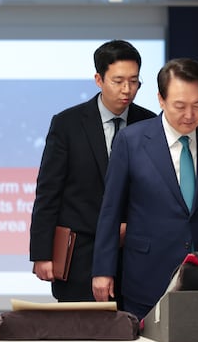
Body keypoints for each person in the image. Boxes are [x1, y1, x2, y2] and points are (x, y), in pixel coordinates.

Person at [92, 58, 198, 320]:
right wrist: (102, 270)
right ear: (161, 100)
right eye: (180, 106)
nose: (190, 115)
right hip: (148, 275)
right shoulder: (131, 141)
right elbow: (110, 211)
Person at [29, 39, 156, 302]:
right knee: (81, 325)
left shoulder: (150, 124)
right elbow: (48, 191)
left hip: (134, 254)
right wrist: (42, 253)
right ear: (99, 79)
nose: (127, 90)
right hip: (80, 254)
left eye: (134, 81)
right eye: (118, 81)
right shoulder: (67, 124)